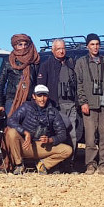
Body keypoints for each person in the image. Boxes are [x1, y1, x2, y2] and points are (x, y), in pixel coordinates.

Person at [74, 33, 104, 175]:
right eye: (92, 44)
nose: (95, 47)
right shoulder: (81, 63)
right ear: (87, 46)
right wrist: (82, 101)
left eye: (97, 44)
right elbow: (78, 84)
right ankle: (90, 164)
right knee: (89, 138)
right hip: (89, 105)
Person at [5, 85, 72, 174]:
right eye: (39, 96)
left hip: (43, 147)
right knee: (11, 132)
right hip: (26, 145)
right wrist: (25, 133)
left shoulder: (53, 111)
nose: (42, 99)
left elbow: (62, 134)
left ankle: (42, 165)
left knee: (67, 150)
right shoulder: (26, 106)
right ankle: (19, 165)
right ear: (34, 96)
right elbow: (11, 120)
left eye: (44, 96)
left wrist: (50, 140)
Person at [36, 38, 80, 171]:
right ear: (53, 50)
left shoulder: (72, 62)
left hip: (71, 104)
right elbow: (41, 87)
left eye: (63, 48)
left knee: (72, 134)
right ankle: (55, 165)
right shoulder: (46, 65)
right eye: (58, 49)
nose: (61, 51)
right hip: (55, 105)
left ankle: (69, 164)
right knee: (56, 134)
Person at [0, 34, 40, 118]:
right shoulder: (8, 61)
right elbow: (0, 84)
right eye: (20, 44)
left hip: (30, 101)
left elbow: (37, 82)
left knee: (29, 128)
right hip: (12, 100)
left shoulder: (34, 61)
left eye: (25, 44)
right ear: (15, 46)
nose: (23, 47)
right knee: (13, 128)